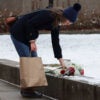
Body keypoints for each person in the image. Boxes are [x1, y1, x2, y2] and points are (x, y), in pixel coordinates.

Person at [10, 3, 81, 98]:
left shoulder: (56, 23)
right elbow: (29, 23)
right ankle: (27, 91)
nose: (69, 24)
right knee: (28, 61)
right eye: (69, 21)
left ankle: (28, 89)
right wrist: (32, 41)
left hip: (27, 34)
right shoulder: (49, 16)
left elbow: (55, 42)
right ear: (65, 16)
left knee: (34, 60)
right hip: (18, 33)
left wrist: (60, 59)